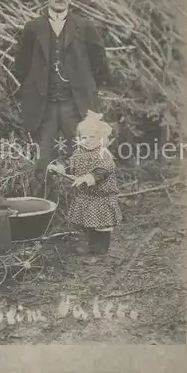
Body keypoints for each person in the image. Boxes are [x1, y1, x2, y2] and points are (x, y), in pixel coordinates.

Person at [13, 0, 111, 196]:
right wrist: (34, 90)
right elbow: (21, 66)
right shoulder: (32, 28)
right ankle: (46, 214)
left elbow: (100, 63)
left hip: (75, 107)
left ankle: (86, 215)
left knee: (84, 159)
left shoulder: (85, 27)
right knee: (41, 164)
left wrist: (85, 89)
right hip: (44, 107)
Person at [49, 110, 122, 263]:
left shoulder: (103, 155)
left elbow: (102, 171)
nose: (87, 141)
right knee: (89, 223)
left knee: (101, 225)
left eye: (92, 137)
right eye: (83, 138)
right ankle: (91, 245)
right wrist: (62, 168)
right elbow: (72, 165)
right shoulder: (79, 152)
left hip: (100, 197)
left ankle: (100, 251)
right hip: (87, 197)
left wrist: (88, 177)